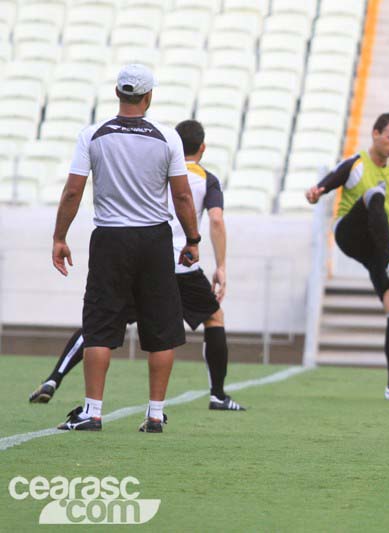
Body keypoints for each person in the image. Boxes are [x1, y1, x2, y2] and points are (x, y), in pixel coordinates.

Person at [31, 120, 245, 412]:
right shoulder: (206, 179)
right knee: (208, 320)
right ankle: (213, 395)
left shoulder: (154, 168)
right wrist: (220, 265)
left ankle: (56, 378)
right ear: (203, 148)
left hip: (143, 259)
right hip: (182, 265)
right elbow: (216, 220)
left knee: (99, 325)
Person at [51, 64, 201, 433]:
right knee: (162, 327)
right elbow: (181, 194)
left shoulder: (93, 135)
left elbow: (73, 191)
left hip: (111, 237)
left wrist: (60, 237)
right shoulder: (168, 137)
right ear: (148, 97)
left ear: (118, 94)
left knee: (100, 326)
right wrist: (193, 240)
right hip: (154, 237)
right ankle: (154, 413)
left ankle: (93, 411)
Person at [305, 113, 389, 401]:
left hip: (380, 246)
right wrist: (316, 192)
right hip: (350, 235)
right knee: (374, 194)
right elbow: (327, 183)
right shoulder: (356, 164)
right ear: (375, 134)